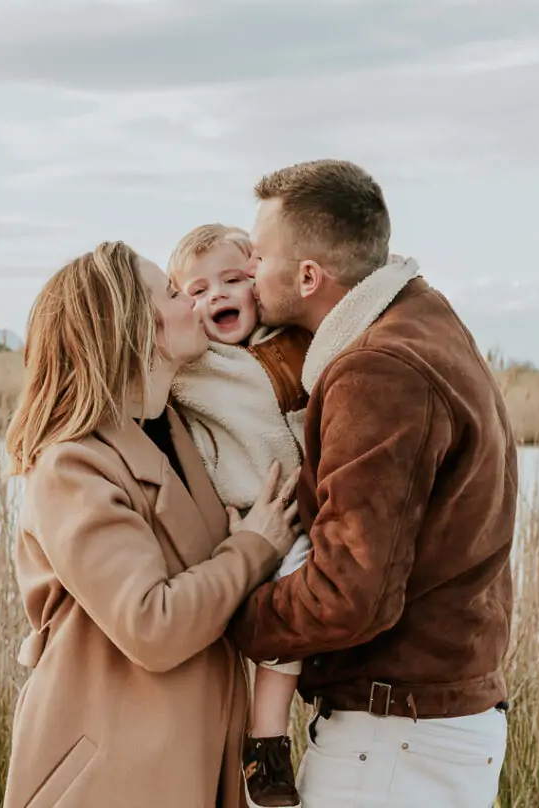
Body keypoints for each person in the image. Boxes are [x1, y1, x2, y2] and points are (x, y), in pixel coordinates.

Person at [230, 160, 517, 808]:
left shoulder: (377, 371)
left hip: (394, 742)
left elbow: (347, 593)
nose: (249, 268)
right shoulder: (424, 319)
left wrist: (224, 611)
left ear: (308, 276)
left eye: (259, 254)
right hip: (425, 727)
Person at [2, 241, 300, 808]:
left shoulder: (179, 431)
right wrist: (256, 546)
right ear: (135, 330)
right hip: (111, 774)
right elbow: (152, 625)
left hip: (192, 758)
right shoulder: (72, 463)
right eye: (172, 292)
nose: (193, 304)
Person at [169, 223, 312, 808]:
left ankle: (270, 737)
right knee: (280, 614)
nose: (217, 296)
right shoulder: (193, 368)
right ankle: (267, 742)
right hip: (247, 513)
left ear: (258, 281)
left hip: (305, 508)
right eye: (197, 291)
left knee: (301, 608)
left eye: (233, 279)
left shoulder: (295, 341)